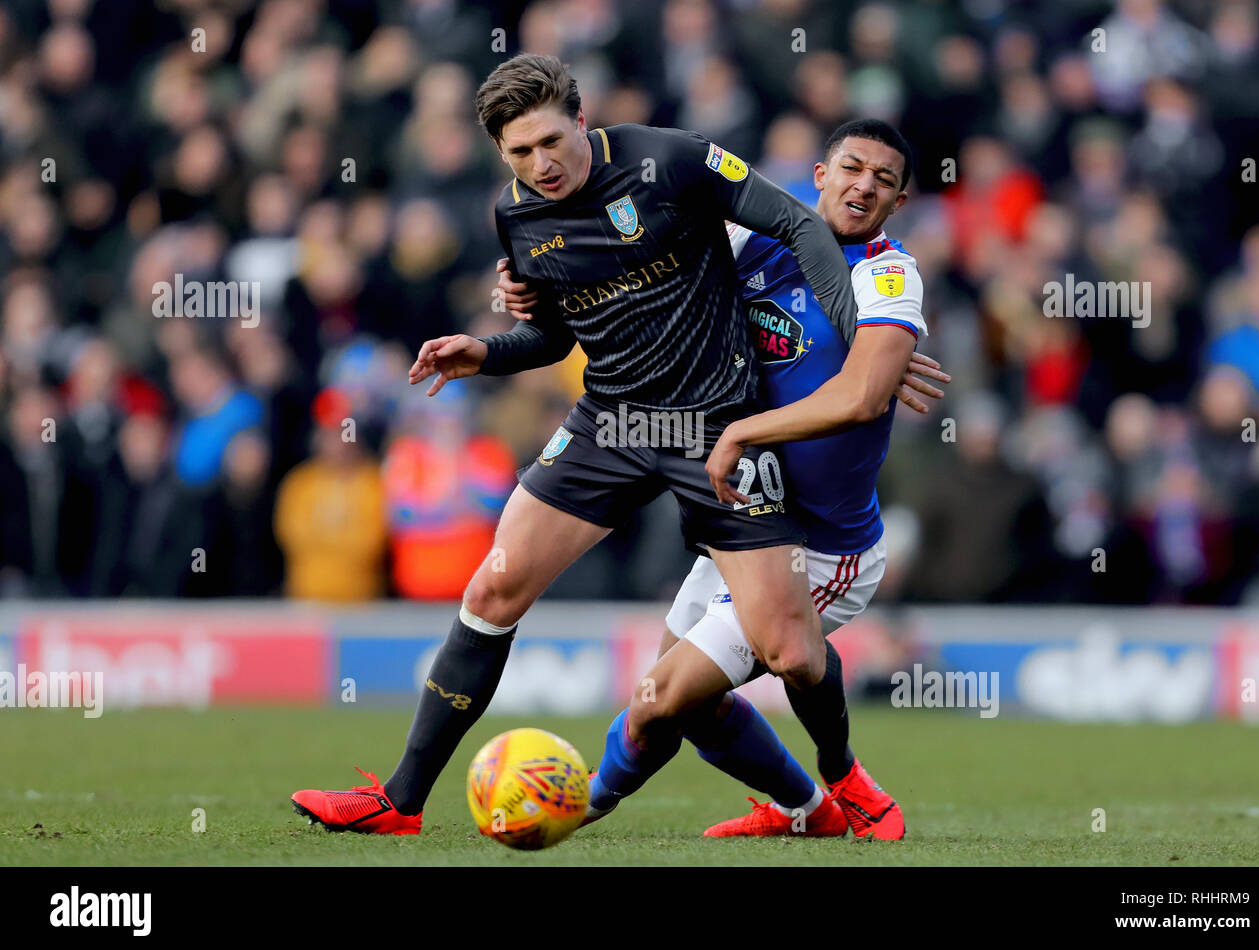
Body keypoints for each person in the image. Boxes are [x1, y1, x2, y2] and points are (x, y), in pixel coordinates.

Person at [288, 53, 914, 835]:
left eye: (552, 141)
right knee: (491, 591)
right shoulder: (516, 215)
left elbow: (795, 220)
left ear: (582, 121)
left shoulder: (672, 159)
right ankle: (399, 801)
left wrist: (860, 339)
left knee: (790, 650)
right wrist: (487, 351)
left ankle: (838, 778)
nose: (541, 165)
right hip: (612, 423)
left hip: (715, 426)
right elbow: (551, 336)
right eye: (520, 153)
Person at [500, 119, 938, 839]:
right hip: (743, 526)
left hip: (819, 544)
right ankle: (806, 813)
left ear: (898, 200)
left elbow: (860, 397)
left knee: (658, 700)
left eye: (883, 180)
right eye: (851, 167)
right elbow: (631, 282)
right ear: (819, 175)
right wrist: (529, 287)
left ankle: (576, 807)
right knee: (681, 702)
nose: (864, 185)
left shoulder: (888, 274)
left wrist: (743, 430)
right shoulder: (748, 241)